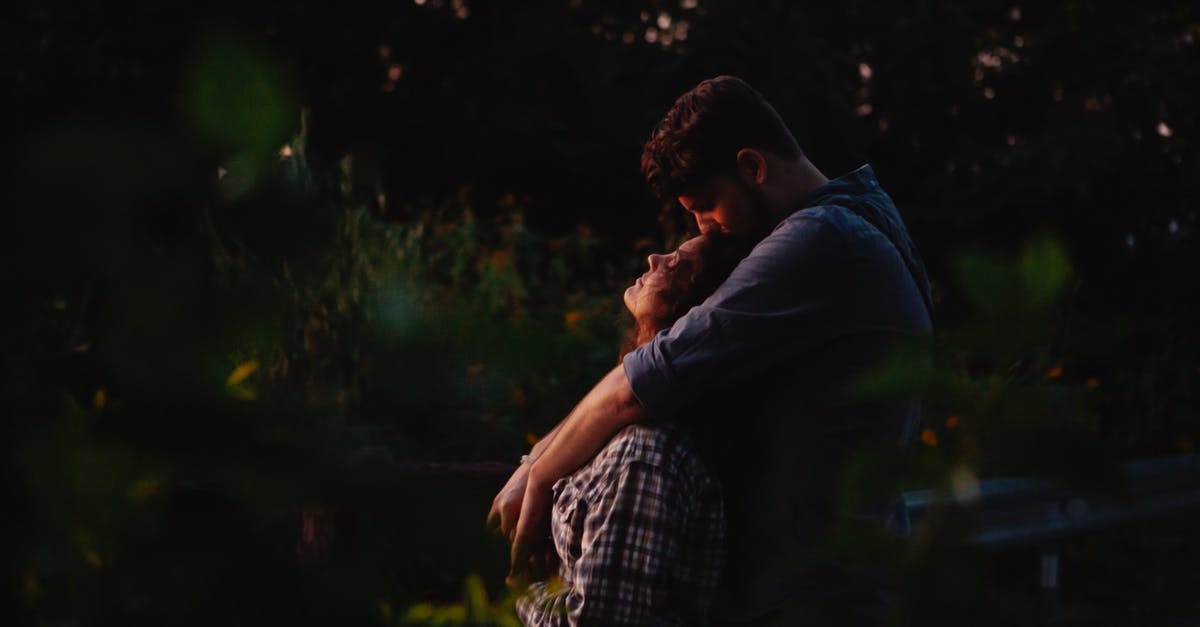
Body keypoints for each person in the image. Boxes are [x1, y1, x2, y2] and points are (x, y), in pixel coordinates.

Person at [492, 75, 934, 626]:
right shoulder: (866, 223)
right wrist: (539, 457)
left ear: (752, 167)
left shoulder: (820, 240)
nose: (704, 227)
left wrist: (536, 474)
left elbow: (646, 381)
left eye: (705, 205)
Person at [510, 232, 746, 626]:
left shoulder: (645, 456)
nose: (654, 258)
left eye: (680, 265)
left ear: (697, 314)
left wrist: (522, 595)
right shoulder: (629, 432)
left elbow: (601, 619)